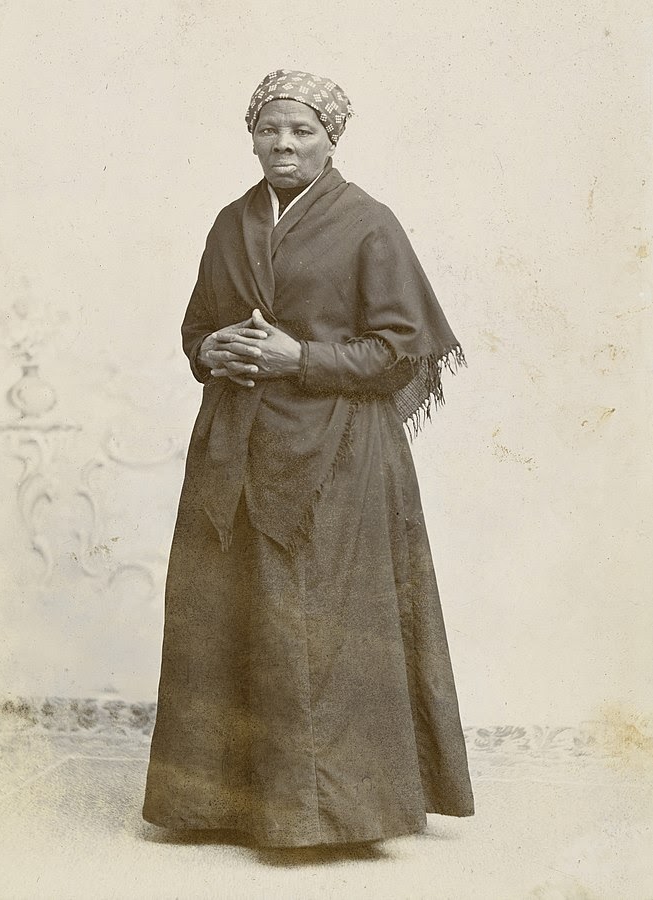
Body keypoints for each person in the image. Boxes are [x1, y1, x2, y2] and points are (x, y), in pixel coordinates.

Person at [142, 69, 474, 848]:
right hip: (233, 449)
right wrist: (210, 348)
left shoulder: (368, 223)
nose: (283, 144)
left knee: (321, 623)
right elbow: (197, 329)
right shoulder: (230, 221)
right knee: (226, 614)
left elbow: (400, 353)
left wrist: (301, 359)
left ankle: (337, 814)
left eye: (301, 131)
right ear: (251, 135)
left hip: (338, 455)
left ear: (332, 139)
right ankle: (221, 806)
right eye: (269, 129)